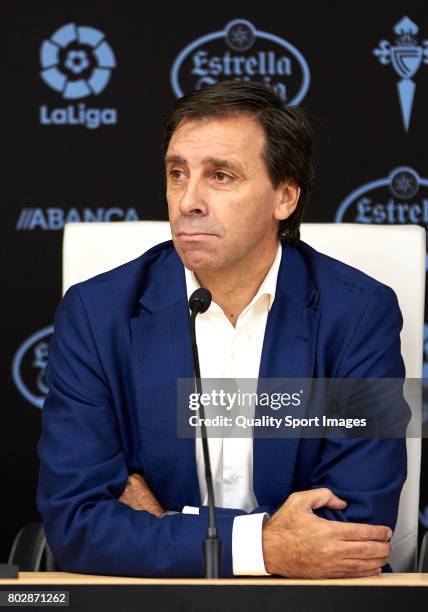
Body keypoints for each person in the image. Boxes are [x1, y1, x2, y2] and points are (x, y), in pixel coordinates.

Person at [37, 81, 408, 578]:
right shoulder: (96, 314)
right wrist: (267, 546)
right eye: (177, 174)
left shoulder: (359, 316)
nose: (187, 200)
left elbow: (358, 526)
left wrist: (167, 524)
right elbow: (76, 522)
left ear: (285, 196)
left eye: (222, 176)